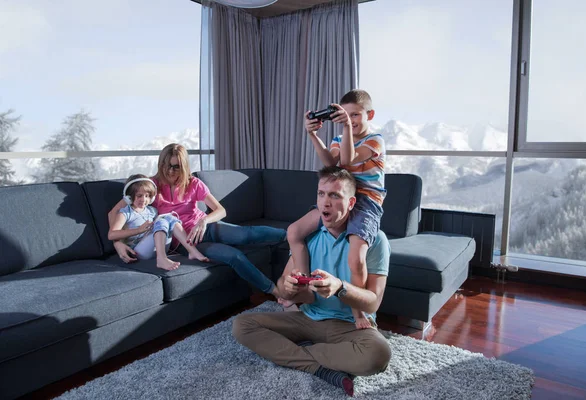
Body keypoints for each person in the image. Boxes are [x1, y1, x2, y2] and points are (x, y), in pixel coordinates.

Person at [233, 166, 391, 397]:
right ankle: (322, 367)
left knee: (378, 354)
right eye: (321, 194)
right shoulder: (308, 236)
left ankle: (295, 353)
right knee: (242, 326)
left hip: (350, 327)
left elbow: (373, 303)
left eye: (335, 195)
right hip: (307, 319)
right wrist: (288, 289)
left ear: (351, 203)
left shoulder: (375, 240)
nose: (325, 202)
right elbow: (288, 290)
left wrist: (340, 288)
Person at [108, 143, 287, 298]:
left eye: (176, 167)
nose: (170, 171)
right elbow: (113, 213)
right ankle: (274, 291)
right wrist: (118, 243)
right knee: (234, 256)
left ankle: (292, 235)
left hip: (206, 227)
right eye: (166, 165)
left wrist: (204, 221)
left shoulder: (193, 183)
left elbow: (220, 210)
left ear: (184, 166)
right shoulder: (150, 186)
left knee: (245, 235)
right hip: (186, 242)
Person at [287, 89, 386, 329]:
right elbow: (331, 162)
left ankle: (358, 313)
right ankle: (303, 290)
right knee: (294, 232)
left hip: (365, 202)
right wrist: (312, 135)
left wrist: (345, 129)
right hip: (340, 197)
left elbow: (348, 160)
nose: (350, 121)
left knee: (356, 257)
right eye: (346, 116)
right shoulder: (339, 139)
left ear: (369, 115)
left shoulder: (375, 140)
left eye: (355, 116)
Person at [108, 174, 209, 271]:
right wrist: (138, 230)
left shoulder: (152, 211)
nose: (143, 200)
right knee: (162, 220)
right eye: (139, 196)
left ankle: (192, 251)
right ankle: (161, 259)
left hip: (156, 247)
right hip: (138, 251)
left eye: (147, 196)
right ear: (129, 197)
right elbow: (112, 235)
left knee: (169, 217)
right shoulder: (125, 213)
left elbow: (161, 227)